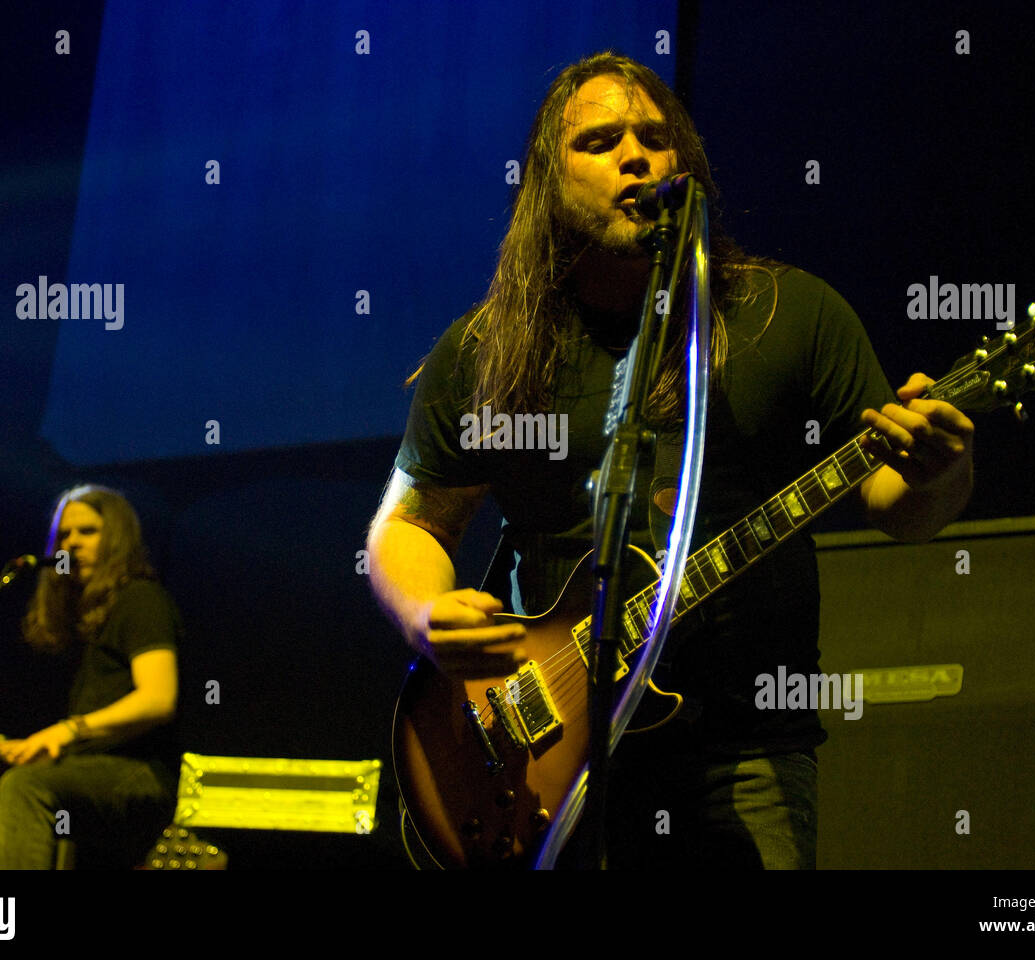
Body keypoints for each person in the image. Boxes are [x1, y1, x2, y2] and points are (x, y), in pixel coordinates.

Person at [366, 52, 973, 868]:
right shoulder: (488, 350)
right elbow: (408, 527)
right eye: (602, 140)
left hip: (741, 749)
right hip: (545, 749)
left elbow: (900, 510)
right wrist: (424, 615)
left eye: (656, 136)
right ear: (548, 178)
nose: (636, 155)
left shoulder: (790, 315)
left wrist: (942, 469)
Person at [0, 485, 182, 869]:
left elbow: (158, 698)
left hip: (140, 776)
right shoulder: (87, 619)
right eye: (63, 535)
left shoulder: (141, 599)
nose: (71, 543)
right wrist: (29, 746)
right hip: (97, 769)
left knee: (27, 787)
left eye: (87, 531)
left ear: (118, 538)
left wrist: (67, 730)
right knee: (5, 778)